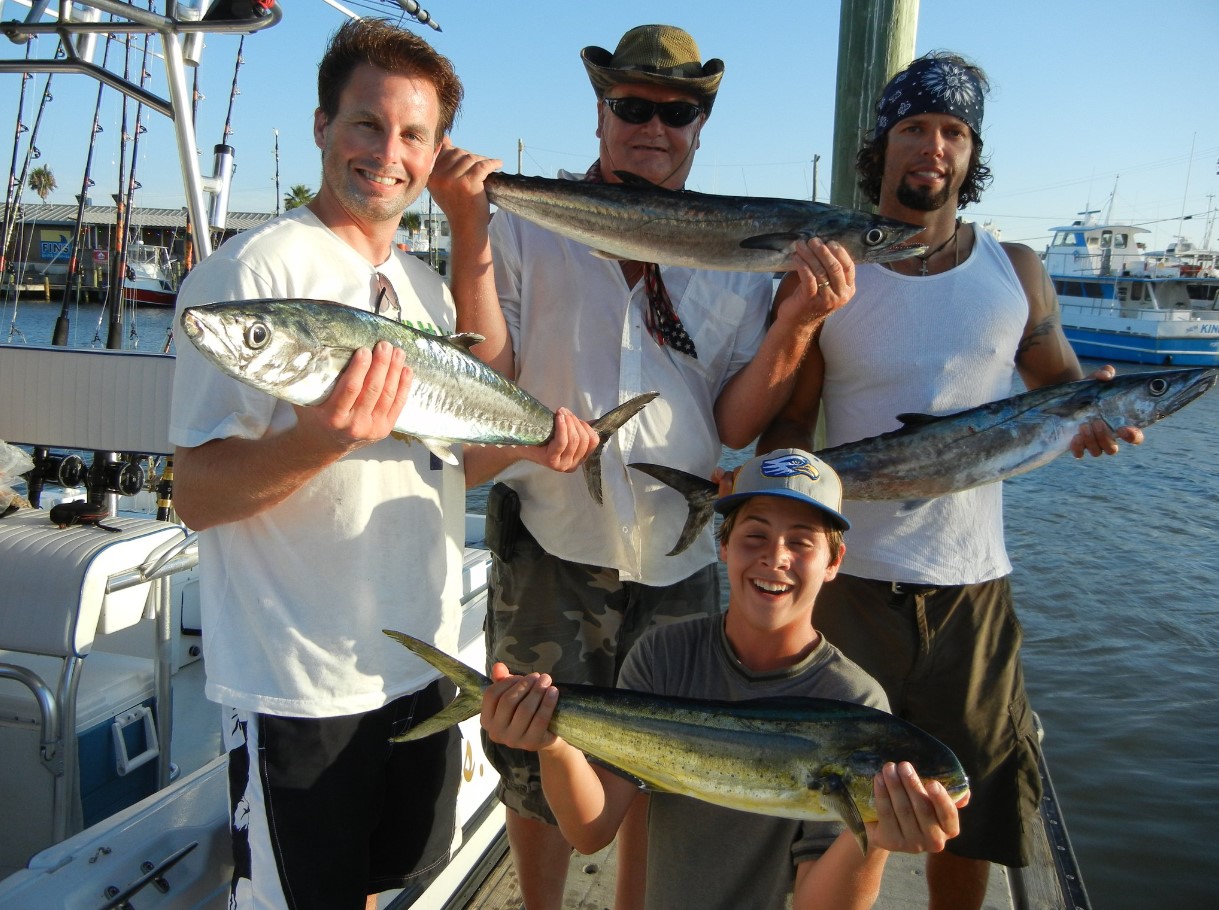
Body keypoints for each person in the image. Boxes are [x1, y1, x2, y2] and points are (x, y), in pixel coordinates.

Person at [169, 19, 587, 910]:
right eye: (365, 123)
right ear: (321, 124)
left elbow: (440, 472)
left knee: (382, 887)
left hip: (421, 664)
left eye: (412, 135)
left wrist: (532, 445)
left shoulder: (424, 290)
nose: (385, 153)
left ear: (435, 153)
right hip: (301, 685)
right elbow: (194, 495)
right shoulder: (251, 276)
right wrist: (321, 435)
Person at [458, 24, 858, 909]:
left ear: (700, 128)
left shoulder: (740, 252)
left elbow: (730, 419)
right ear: (599, 114)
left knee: (661, 762)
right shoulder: (527, 220)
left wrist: (795, 323)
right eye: (630, 106)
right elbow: (489, 367)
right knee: (532, 744)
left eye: (675, 114)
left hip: (679, 553)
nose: (653, 127)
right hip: (551, 534)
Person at [758, 52, 1145, 910]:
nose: (933, 146)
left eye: (953, 132)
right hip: (845, 582)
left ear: (970, 156)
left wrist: (1100, 426)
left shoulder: (1017, 270)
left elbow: (1065, 393)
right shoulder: (832, 273)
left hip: (971, 589)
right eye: (913, 127)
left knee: (961, 804)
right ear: (881, 147)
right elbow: (790, 422)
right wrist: (784, 503)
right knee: (834, 806)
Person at [481, 449, 967, 910]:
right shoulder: (664, 656)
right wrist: (554, 746)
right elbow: (590, 832)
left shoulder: (853, 700)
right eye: (755, 535)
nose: (775, 556)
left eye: (802, 541)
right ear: (723, 546)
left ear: (834, 562)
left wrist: (878, 838)